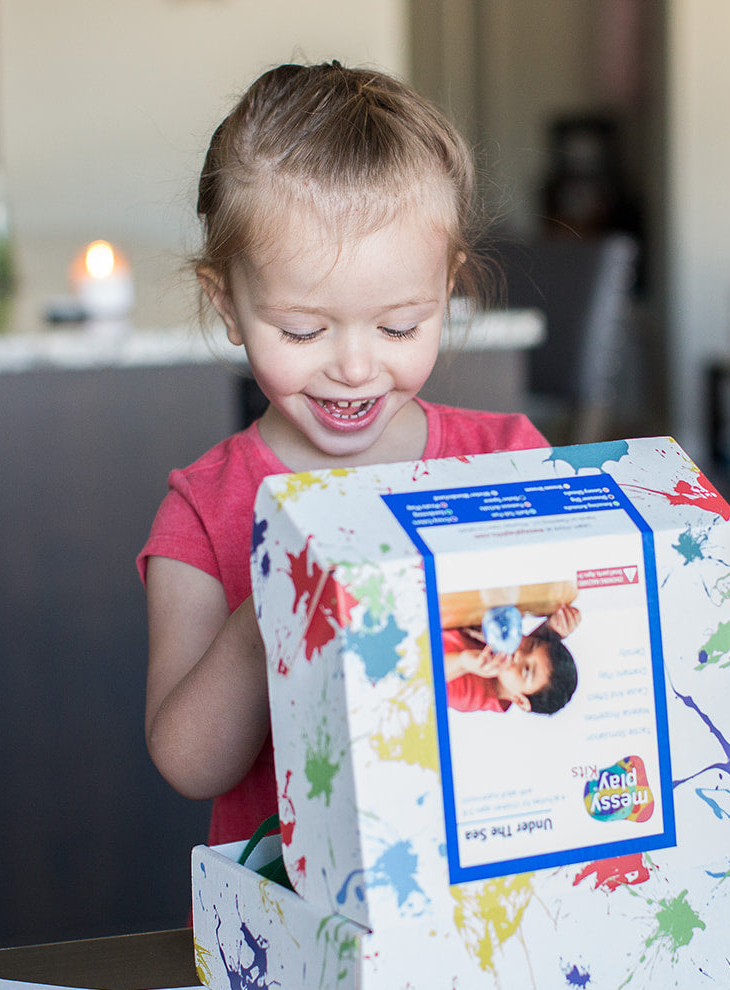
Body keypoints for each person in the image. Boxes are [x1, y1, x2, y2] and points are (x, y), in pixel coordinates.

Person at [137, 61, 550, 847]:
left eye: (399, 326)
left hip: (488, 894)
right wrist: (270, 613)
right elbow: (191, 766)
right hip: (295, 930)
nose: (355, 368)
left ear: (446, 288)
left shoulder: (507, 462)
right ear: (227, 304)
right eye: (302, 330)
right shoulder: (202, 511)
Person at [442, 605, 580, 715]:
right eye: (531, 646)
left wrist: (463, 663)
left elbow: (425, 675)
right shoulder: (506, 651)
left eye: (526, 670)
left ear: (519, 700)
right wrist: (550, 629)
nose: (519, 654)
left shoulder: (470, 694)